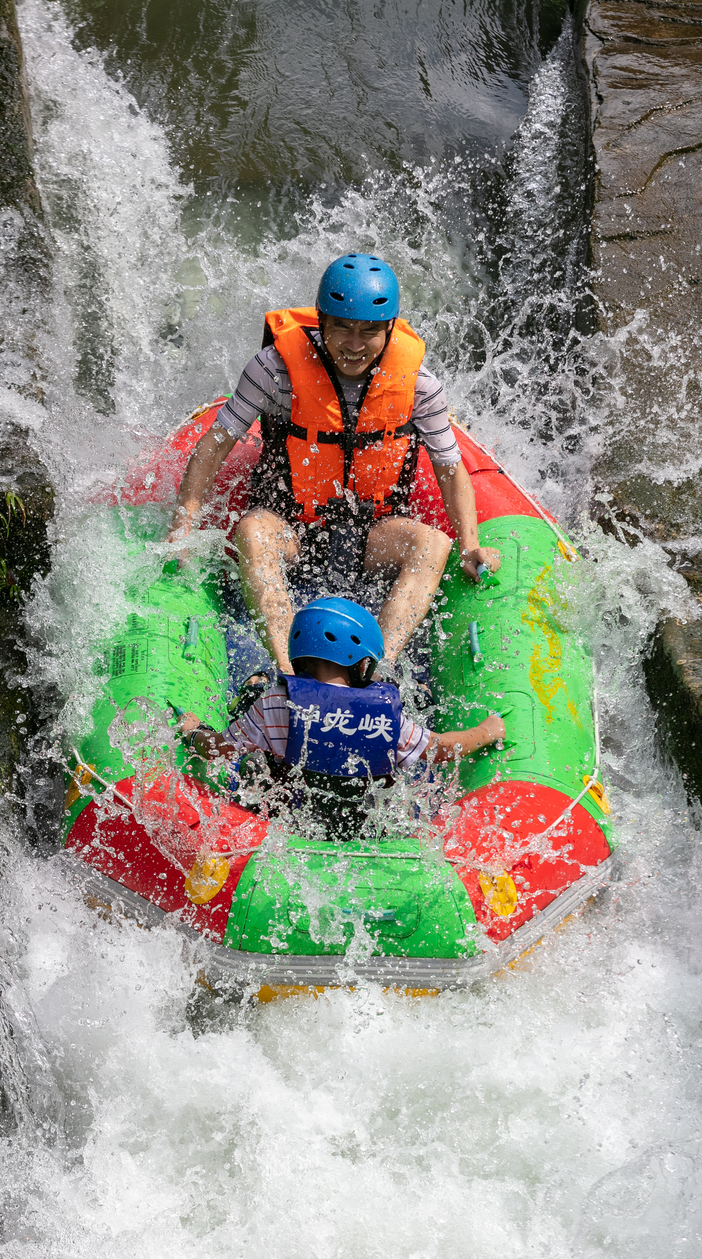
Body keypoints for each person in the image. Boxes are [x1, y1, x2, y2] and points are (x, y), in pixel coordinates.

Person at [168, 253, 501, 675]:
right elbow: (215, 443)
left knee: (433, 543)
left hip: (373, 531)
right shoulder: (274, 371)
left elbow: (450, 469)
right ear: (321, 321)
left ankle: (376, 672)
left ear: (390, 330)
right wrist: (183, 525)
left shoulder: (418, 385)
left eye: (370, 331)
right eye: (342, 326)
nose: (354, 343)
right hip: (289, 524)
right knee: (252, 531)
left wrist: (470, 545)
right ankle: (291, 673)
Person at [179, 598, 504, 840]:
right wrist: (487, 731)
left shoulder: (277, 701)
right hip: (366, 831)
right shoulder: (385, 713)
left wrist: (193, 733)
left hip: (290, 824)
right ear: (361, 663)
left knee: (256, 701)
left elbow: (219, 748)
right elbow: (441, 750)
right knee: (415, 697)